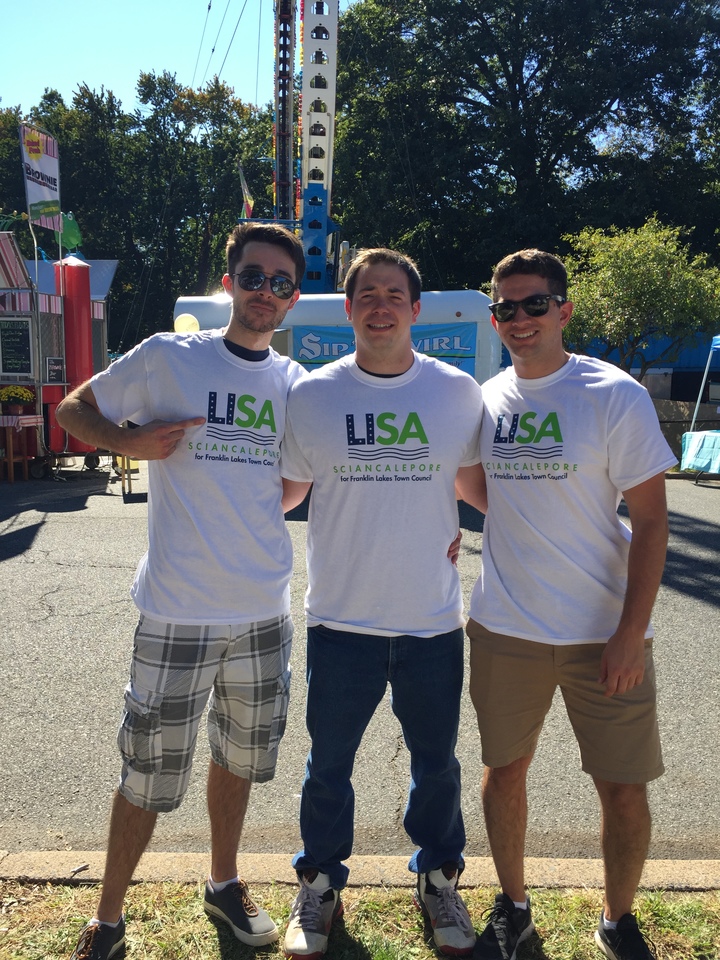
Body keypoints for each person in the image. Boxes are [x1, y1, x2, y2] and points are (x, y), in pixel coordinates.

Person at [56, 222, 306, 960]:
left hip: (264, 612)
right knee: (147, 774)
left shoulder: (292, 384)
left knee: (238, 760)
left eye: (282, 283)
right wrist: (129, 443)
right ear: (229, 282)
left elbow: (298, 485)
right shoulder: (170, 357)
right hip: (176, 612)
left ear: (293, 298)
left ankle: (223, 884)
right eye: (255, 277)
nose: (267, 292)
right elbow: (74, 409)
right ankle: (107, 918)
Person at [464, 250, 676, 960]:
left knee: (623, 790)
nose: (518, 320)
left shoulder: (611, 394)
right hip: (506, 629)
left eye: (532, 305)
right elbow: (478, 488)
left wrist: (631, 630)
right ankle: (514, 908)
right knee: (504, 776)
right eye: (505, 309)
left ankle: (618, 919)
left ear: (564, 310)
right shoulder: (487, 398)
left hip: (602, 633)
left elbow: (651, 520)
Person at [280, 248, 485, 959]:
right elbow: (285, 492)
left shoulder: (458, 392)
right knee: (328, 763)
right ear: (349, 308)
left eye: (394, 294)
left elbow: (480, 487)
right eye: (367, 293)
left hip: (431, 620)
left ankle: (438, 877)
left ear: (415, 309)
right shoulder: (312, 395)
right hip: (341, 620)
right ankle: (320, 884)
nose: (380, 305)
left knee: (438, 762)